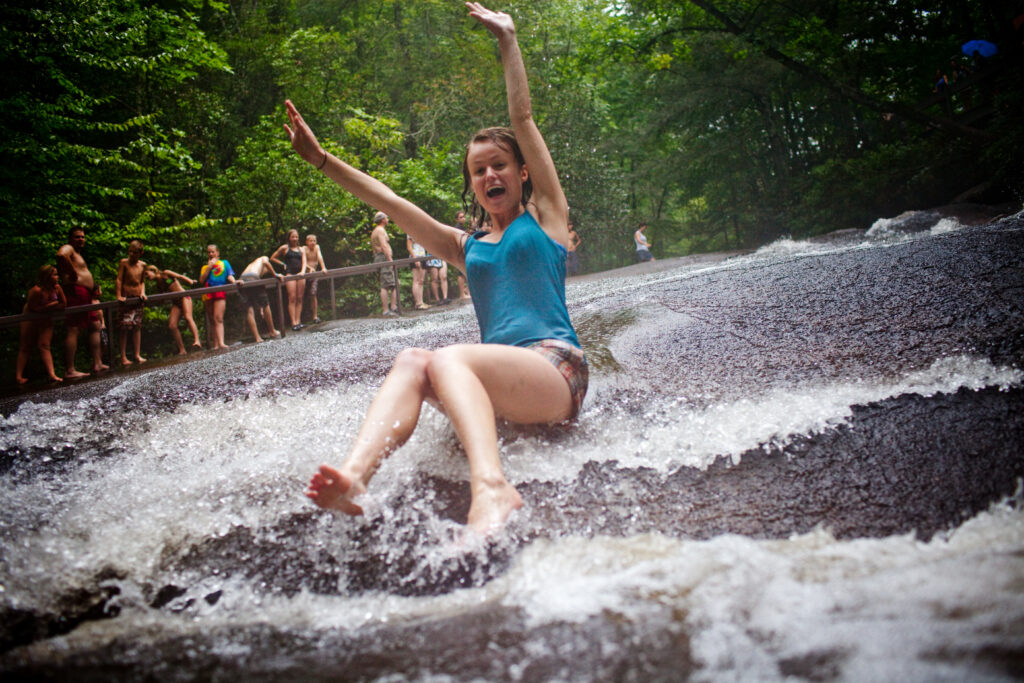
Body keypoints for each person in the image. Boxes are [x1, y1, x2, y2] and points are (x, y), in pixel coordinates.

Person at [286, 2, 588, 535]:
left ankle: (492, 488)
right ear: (472, 184)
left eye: (498, 165)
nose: (489, 174)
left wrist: (508, 39)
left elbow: (523, 119)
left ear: (521, 173)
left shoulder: (547, 220)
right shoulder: (464, 245)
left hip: (555, 370)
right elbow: (391, 201)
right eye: (478, 170)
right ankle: (355, 477)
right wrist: (319, 160)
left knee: (447, 359)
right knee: (412, 360)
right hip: (496, 384)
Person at [56, 227, 109, 378]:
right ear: (70, 238)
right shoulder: (68, 249)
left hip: (85, 294)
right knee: (73, 328)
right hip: (75, 292)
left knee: (95, 324)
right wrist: (72, 272)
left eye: (83, 237)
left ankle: (97, 363)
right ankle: (70, 370)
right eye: (77, 237)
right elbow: (61, 255)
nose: (81, 239)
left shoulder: (78, 254)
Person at [15, 265, 66, 384]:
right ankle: (18, 376)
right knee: (25, 345)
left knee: (44, 345)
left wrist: (52, 306)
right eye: (54, 274)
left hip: (46, 317)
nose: (57, 277)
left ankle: (52, 374)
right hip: (30, 316)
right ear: (47, 276)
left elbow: (63, 303)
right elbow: (33, 307)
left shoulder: (57, 288)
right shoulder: (36, 290)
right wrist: (51, 306)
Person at [144, 265, 202, 354]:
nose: (146, 277)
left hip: (184, 297)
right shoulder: (159, 284)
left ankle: (197, 341)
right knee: (172, 325)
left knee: (188, 317)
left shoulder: (166, 274)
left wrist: (190, 281)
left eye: (146, 274)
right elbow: (162, 299)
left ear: (153, 270)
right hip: (176, 302)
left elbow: (179, 276)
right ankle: (182, 349)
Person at [115, 239, 148, 366]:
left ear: (140, 253)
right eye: (130, 251)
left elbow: (142, 281)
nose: (132, 254)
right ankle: (123, 356)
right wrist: (119, 295)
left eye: (135, 252)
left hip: (137, 298)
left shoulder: (142, 265)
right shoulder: (124, 263)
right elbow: (119, 280)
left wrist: (143, 293)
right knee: (124, 327)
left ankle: (137, 354)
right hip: (126, 297)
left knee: (136, 326)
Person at [237, 255, 283, 342]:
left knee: (249, 309)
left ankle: (257, 337)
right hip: (252, 277)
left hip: (242, 279)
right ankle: (272, 331)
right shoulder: (262, 258)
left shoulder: (252, 265)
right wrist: (275, 274)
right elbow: (266, 262)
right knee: (265, 303)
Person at [199, 244, 235, 350]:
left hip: (219, 291)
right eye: (209, 252)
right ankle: (215, 344)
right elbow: (201, 280)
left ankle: (221, 342)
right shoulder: (205, 267)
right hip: (208, 292)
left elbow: (229, 275)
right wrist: (209, 267)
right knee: (211, 319)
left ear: (217, 252)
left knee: (218, 317)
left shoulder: (224, 263)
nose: (211, 254)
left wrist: (234, 282)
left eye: (213, 252)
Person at [271, 229, 307, 331]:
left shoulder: (301, 249)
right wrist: (283, 264)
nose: (295, 239)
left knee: (300, 298)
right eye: (293, 237)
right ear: (289, 238)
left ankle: (298, 321)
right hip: (290, 274)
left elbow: (304, 262)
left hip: (300, 274)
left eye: (296, 237)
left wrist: (303, 271)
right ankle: (293, 323)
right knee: (292, 297)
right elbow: (272, 257)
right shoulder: (285, 248)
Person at [371, 212, 400, 316]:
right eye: (386, 217)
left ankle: (393, 306)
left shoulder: (375, 231)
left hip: (379, 258)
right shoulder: (380, 230)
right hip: (384, 258)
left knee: (392, 283)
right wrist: (390, 260)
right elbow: (384, 246)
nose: (388, 219)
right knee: (387, 284)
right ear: (383, 219)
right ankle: (387, 310)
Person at [303, 233, 327, 324]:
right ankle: (302, 318)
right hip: (305, 274)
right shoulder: (304, 249)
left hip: (314, 274)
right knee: (302, 296)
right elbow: (303, 262)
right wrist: (309, 268)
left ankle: (315, 316)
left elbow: (320, 257)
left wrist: (323, 267)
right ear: (306, 242)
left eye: (314, 241)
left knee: (313, 294)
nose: (312, 242)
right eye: (310, 241)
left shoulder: (317, 247)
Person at [407, 233, 431, 310]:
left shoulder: (419, 230)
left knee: (421, 281)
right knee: (416, 280)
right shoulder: (409, 231)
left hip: (422, 256)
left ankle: (421, 301)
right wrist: (415, 259)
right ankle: (418, 303)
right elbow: (409, 247)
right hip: (416, 257)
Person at [454, 210, 472, 300]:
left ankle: (467, 291)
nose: (463, 218)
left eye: (464, 217)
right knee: (461, 274)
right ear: (457, 219)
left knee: (465, 272)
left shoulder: (462, 228)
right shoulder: (457, 228)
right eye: (461, 217)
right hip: (460, 252)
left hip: (464, 251)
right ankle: (462, 294)